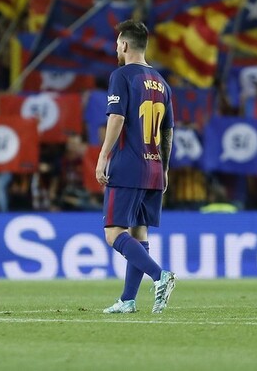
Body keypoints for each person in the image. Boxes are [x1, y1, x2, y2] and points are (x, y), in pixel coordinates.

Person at [95, 20, 176, 314]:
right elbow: (167, 132)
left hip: (129, 164)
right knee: (139, 234)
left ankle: (160, 276)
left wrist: (103, 155)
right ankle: (128, 300)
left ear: (125, 45)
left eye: (118, 43)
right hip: (154, 168)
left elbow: (117, 117)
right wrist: (164, 168)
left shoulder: (121, 75)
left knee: (114, 233)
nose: (116, 48)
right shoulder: (162, 83)